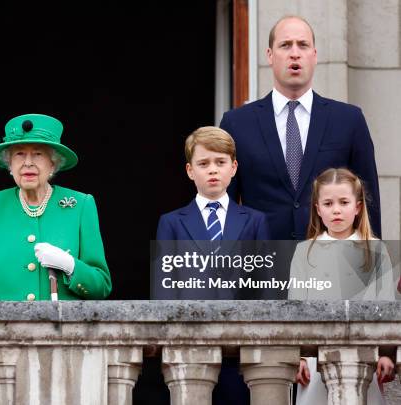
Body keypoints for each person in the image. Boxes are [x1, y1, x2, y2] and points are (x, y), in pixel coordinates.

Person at [0, 113, 112, 405]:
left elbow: (101, 285)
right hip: (1, 357)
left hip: (64, 357)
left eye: (38, 155)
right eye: (19, 154)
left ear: (53, 162)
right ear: (9, 163)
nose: (28, 163)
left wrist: (71, 266)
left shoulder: (80, 205)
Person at [219, 16, 381, 241]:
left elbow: (368, 201)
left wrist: (371, 265)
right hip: (261, 267)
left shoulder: (349, 120)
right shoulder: (236, 124)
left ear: (314, 56)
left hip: (332, 266)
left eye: (303, 45)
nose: (294, 53)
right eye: (285, 45)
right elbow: (222, 205)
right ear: (269, 55)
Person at [155, 126, 269, 405]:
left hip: (240, 347)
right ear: (190, 170)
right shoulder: (171, 222)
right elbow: (165, 288)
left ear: (234, 167)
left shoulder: (254, 221)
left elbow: (265, 285)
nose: (212, 170)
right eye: (203, 164)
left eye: (220, 162)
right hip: (190, 345)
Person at [289, 168, 395, 404]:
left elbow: (387, 307)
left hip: (366, 356)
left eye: (344, 202)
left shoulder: (376, 251)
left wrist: (386, 353)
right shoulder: (304, 252)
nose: (336, 209)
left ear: (357, 207)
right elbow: (295, 309)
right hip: (316, 361)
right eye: (328, 203)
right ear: (318, 208)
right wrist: (301, 357)